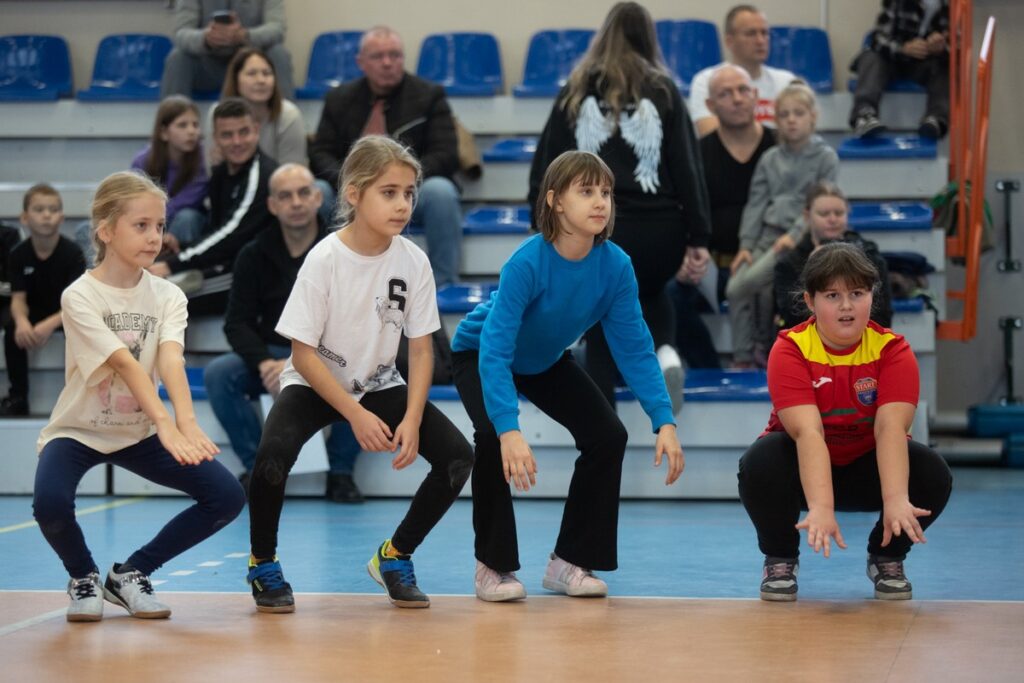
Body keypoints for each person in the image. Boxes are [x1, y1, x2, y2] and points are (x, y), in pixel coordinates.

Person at [245, 136, 473, 613]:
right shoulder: (325, 259)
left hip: (379, 383)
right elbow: (303, 355)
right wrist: (354, 415)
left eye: (409, 193)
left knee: (457, 458)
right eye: (389, 192)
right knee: (271, 456)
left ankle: (395, 557)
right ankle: (263, 563)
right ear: (353, 194)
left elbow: (422, 348)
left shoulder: (413, 260)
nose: (403, 204)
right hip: (314, 383)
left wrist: (410, 418)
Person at [453, 150, 685, 603]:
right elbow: (496, 350)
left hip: (543, 360)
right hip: (479, 353)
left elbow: (635, 347)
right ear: (556, 201)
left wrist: (665, 420)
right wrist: (509, 429)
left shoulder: (616, 265)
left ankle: (569, 562)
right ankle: (493, 567)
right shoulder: (527, 261)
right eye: (586, 191)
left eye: (606, 192)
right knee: (489, 440)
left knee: (607, 435)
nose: (600, 202)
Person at [32, 171, 245, 622]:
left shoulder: (168, 295)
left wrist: (185, 422)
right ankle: (83, 576)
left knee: (226, 496)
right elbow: (125, 364)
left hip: (139, 431)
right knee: (49, 504)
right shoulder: (79, 296)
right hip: (79, 429)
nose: (155, 237)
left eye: (160, 226)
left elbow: (170, 359)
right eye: (141, 225)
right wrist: (167, 424)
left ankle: (131, 575)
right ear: (106, 231)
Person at [737, 241, 952, 601]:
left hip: (869, 468)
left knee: (932, 472)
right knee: (759, 463)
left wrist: (897, 499)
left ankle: (887, 556)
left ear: (873, 295)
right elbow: (808, 432)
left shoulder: (893, 351)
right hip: (804, 469)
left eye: (857, 292)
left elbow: (890, 430)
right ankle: (780, 559)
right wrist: (821, 507)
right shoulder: (790, 349)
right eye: (832, 295)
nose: (847, 306)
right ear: (810, 301)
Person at [527, 2, 711, 416]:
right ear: (649, 37)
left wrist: (539, 223)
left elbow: (547, 164)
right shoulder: (663, 89)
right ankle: (665, 354)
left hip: (592, 223)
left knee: (598, 322)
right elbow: (688, 168)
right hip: (661, 227)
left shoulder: (575, 88)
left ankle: (601, 425)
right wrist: (699, 237)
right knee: (650, 291)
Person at [203, 163, 363, 502]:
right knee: (220, 375)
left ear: (319, 198)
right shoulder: (253, 254)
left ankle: (341, 472)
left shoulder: (344, 251)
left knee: (364, 374)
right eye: (285, 196)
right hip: (271, 357)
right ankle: (258, 469)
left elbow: (354, 320)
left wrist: (298, 360)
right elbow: (237, 322)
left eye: (304, 193)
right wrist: (262, 363)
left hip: (330, 355)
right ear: (272, 205)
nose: (296, 202)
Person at [309, 26, 463, 286]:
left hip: (411, 191)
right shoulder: (339, 98)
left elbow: (446, 154)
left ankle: (444, 285)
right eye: (378, 56)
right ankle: (327, 277)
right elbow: (319, 152)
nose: (388, 63)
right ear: (361, 62)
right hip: (352, 189)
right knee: (316, 192)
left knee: (442, 192)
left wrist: (402, 182)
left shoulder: (429, 95)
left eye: (395, 55)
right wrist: (355, 183)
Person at [668, 64, 777, 369]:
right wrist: (685, 259)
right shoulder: (696, 155)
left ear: (755, 96)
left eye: (743, 90)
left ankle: (788, 372)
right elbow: (681, 214)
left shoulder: (781, 147)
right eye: (726, 94)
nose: (738, 99)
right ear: (710, 106)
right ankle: (710, 372)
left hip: (772, 264)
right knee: (669, 295)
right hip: (715, 269)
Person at [726, 82, 838, 367]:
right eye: (784, 114)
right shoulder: (770, 158)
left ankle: (758, 352)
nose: (791, 120)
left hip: (797, 239)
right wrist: (746, 246)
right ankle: (745, 356)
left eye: (798, 113)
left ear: (812, 116)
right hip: (767, 235)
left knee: (750, 285)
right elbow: (756, 204)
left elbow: (821, 205)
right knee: (736, 287)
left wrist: (796, 234)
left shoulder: (825, 157)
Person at [149, 98, 277, 311]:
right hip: (224, 266)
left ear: (256, 130)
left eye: (243, 132)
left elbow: (231, 235)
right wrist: (181, 247)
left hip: (252, 277)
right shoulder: (221, 174)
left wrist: (174, 263)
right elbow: (216, 232)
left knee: (166, 297)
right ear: (216, 138)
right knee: (151, 287)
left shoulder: (261, 176)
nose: (237, 142)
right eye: (227, 135)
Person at [2, 185, 86, 416]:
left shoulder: (72, 253)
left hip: (67, 312)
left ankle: (80, 396)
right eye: (39, 209)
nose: (47, 215)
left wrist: (50, 325)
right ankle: (18, 396)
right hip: (35, 310)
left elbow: (76, 302)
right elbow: (18, 299)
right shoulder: (18, 254)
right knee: (11, 331)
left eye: (53, 209)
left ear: (61, 217)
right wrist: (21, 322)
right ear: (25, 218)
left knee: (83, 329)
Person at [775, 182, 894, 330]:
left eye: (838, 213)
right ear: (807, 215)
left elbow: (883, 317)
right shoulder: (788, 263)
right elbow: (791, 319)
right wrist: (809, 270)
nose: (832, 219)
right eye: (824, 214)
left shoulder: (870, 257)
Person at [687, 5, 797, 136]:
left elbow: (798, 137)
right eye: (751, 34)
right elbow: (713, 138)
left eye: (764, 33)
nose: (761, 41)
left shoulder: (787, 82)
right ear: (729, 41)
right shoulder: (707, 81)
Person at [850, 0, 950, 139]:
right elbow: (878, 39)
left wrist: (940, 48)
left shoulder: (951, 6)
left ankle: (936, 120)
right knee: (871, 56)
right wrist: (903, 48)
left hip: (925, 63)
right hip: (892, 59)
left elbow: (956, 49)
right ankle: (864, 115)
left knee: (946, 66)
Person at [161, 0, 294, 99]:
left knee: (278, 53)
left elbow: (277, 29)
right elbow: (181, 33)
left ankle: (284, 123)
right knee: (177, 57)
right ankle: (171, 123)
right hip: (207, 67)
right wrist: (206, 39)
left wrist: (245, 35)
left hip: (249, 66)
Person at [212, 47, 307, 166]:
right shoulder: (217, 113)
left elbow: (293, 172)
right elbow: (212, 168)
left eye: (267, 73)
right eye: (251, 74)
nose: (261, 80)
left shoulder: (289, 114)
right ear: (236, 79)